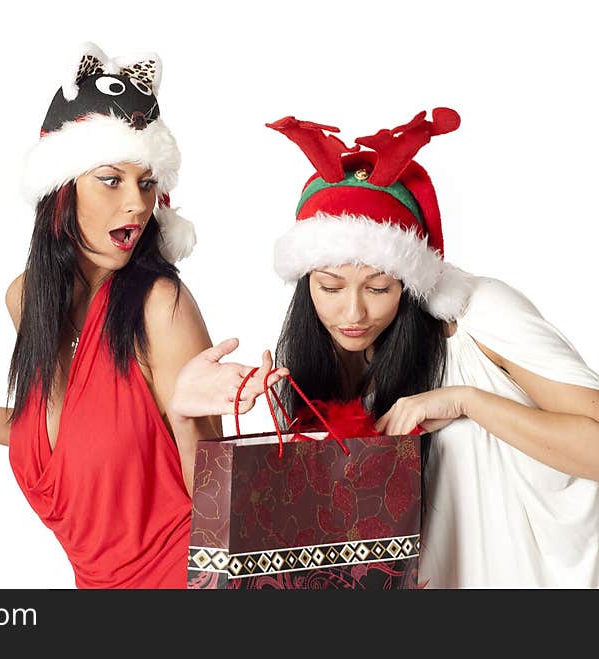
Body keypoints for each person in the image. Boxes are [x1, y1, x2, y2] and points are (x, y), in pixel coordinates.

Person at [0, 42, 282, 589]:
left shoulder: (160, 306)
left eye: (147, 183)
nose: (136, 204)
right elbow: (79, 438)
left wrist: (190, 416)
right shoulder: (27, 298)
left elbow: (218, 508)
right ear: (61, 188)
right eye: (111, 179)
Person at [177, 108, 599, 588]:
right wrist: (216, 417)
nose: (353, 314)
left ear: (411, 281)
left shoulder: (481, 314)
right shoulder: (329, 360)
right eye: (330, 288)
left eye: (378, 288)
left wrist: (465, 401)